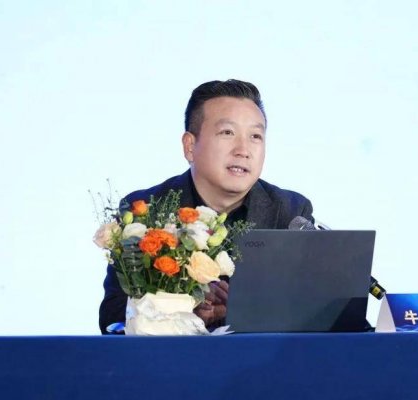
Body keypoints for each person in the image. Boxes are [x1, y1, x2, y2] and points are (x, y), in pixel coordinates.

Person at [99, 79, 314, 333]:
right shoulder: (146, 211)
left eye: (255, 136)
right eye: (227, 133)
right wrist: (184, 308)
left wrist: (238, 309)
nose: (243, 150)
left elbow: (310, 311)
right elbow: (112, 317)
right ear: (190, 146)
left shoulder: (289, 212)